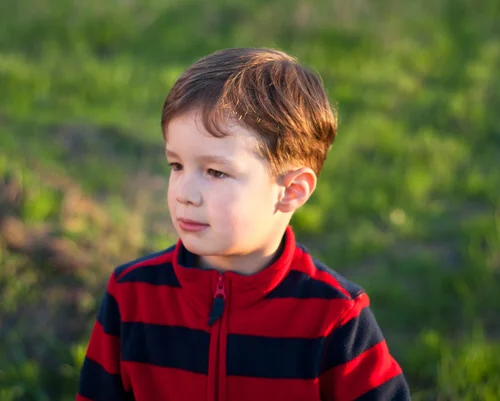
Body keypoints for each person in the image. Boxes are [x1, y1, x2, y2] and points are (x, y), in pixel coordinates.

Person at [76, 47, 411, 401]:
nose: (185, 193)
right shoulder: (132, 295)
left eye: (216, 172)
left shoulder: (335, 317)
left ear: (291, 191)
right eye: (176, 166)